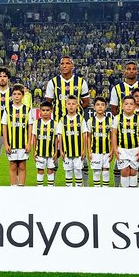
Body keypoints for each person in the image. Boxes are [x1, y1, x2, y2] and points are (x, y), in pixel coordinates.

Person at [45, 56, 91, 184]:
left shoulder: (80, 82)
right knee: (55, 155)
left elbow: (86, 102)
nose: (64, 66)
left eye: (67, 63)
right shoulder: (53, 82)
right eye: (62, 64)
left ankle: (85, 185)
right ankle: (52, 185)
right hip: (59, 124)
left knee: (81, 154)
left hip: (77, 124)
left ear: (72, 66)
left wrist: (76, 111)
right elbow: (48, 102)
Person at [109, 61, 139, 186]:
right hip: (123, 134)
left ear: (137, 71)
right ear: (124, 71)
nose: (131, 71)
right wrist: (124, 121)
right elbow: (114, 109)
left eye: (133, 69)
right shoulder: (117, 88)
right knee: (122, 167)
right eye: (128, 69)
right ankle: (120, 187)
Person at [111, 95, 139, 188]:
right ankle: (125, 191)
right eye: (126, 104)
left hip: (135, 149)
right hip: (122, 149)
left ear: (135, 106)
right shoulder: (117, 118)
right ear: (122, 106)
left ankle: (133, 191)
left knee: (133, 171)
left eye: (131, 104)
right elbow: (114, 134)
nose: (128, 106)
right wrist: (115, 149)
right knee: (125, 171)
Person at [1, 84, 33, 187]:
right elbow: (4, 127)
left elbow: (30, 127)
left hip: (23, 143)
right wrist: (6, 144)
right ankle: (13, 186)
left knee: (22, 165)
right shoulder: (7, 110)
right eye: (14, 94)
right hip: (12, 143)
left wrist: (29, 143)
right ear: (11, 96)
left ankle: (22, 186)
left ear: (22, 95)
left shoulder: (27, 110)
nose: (16, 96)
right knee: (13, 165)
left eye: (19, 94)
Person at [55, 95, 85, 187]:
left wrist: (84, 150)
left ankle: (78, 189)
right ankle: (69, 190)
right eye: (69, 104)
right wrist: (61, 150)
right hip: (66, 152)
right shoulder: (62, 120)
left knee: (78, 171)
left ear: (77, 106)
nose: (71, 106)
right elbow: (59, 136)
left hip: (78, 152)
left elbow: (84, 135)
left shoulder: (80, 119)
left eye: (73, 104)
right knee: (68, 171)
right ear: (65, 105)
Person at [85, 97, 112, 187]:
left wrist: (112, 151)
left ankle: (105, 190)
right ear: (94, 107)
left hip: (107, 151)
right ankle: (96, 191)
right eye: (97, 105)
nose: (100, 107)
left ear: (106, 107)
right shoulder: (90, 121)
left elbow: (112, 137)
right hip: (95, 151)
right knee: (96, 172)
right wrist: (89, 152)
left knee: (106, 172)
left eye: (102, 105)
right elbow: (89, 137)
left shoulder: (110, 121)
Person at [32, 101, 57, 186]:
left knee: (50, 170)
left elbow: (56, 139)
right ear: (40, 111)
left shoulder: (55, 123)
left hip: (51, 153)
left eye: (47, 110)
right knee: (40, 170)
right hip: (40, 152)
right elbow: (34, 138)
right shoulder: (36, 123)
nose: (45, 112)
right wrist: (34, 152)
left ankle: (50, 188)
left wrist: (56, 152)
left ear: (51, 111)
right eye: (43, 110)